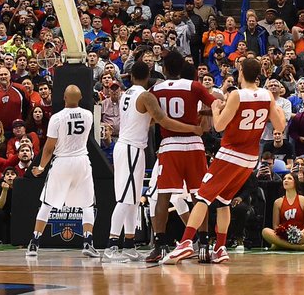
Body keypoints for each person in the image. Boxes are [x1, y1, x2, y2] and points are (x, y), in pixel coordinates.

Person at [163, 57, 284, 264]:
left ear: (241, 72)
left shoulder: (237, 95)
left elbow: (218, 126)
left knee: (202, 197)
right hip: (250, 158)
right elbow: (280, 125)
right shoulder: (267, 95)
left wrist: (218, 108)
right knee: (223, 201)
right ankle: (220, 248)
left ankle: (184, 243)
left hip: (231, 153)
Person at [102, 60, 203, 262]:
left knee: (132, 198)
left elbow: (146, 120)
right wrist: (192, 128)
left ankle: (129, 244)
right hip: (131, 147)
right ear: (148, 76)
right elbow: (162, 119)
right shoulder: (146, 95)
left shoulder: (125, 94)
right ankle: (112, 245)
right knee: (124, 198)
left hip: (129, 146)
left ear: (130, 77)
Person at [145, 51, 220, 263]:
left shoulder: (155, 89)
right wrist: (204, 116)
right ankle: (204, 244)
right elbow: (215, 104)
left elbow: (151, 116)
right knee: (200, 196)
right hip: (194, 145)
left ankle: (160, 245)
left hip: (170, 146)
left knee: (163, 197)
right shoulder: (194, 86)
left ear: (165, 69)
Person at [27, 85, 99, 259]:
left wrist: (41, 167)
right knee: (88, 204)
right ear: (81, 97)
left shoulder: (57, 118)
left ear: (64, 97)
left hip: (62, 161)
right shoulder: (89, 115)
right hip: (82, 161)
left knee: (47, 203)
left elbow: (49, 148)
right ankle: (88, 242)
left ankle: (34, 242)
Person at [260, 173, 304, 251]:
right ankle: (297, 247)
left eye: (289, 178)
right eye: (284, 179)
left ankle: (279, 245)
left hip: (300, 235)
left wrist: (300, 233)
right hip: (283, 236)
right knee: (265, 231)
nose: (286, 180)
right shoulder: (278, 202)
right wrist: (283, 234)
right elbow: (275, 225)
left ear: (295, 183)